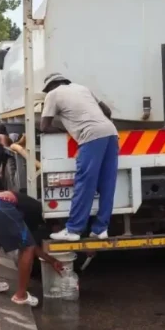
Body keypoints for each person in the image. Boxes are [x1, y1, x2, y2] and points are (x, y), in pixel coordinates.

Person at [40, 73, 119, 242]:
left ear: (50, 86)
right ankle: (101, 229)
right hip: (111, 133)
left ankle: (74, 230)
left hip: (91, 136)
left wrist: (65, 130)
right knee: (107, 183)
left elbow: (44, 126)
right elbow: (107, 111)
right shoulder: (82, 88)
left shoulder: (53, 94)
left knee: (85, 183)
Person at [0, 189, 64, 306]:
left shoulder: (30, 205)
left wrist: (51, 261)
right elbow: (30, 245)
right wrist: (52, 260)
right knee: (27, 247)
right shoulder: (36, 212)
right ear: (53, 224)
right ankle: (21, 296)